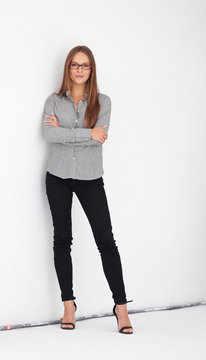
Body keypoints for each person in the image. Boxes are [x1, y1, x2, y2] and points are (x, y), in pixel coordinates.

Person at [42, 45, 133, 333]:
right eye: (74, 65)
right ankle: (68, 305)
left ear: (91, 70)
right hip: (57, 176)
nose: (79, 70)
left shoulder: (103, 102)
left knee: (106, 240)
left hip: (90, 177)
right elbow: (49, 134)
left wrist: (69, 135)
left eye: (85, 65)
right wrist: (86, 133)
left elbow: (99, 137)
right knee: (62, 240)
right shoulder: (54, 101)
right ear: (67, 69)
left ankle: (121, 307)